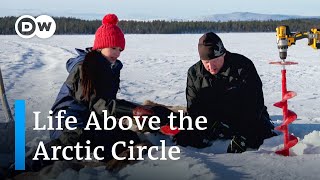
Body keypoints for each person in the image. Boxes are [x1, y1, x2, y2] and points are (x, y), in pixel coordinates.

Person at [26, 13, 155, 171]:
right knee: (76, 138)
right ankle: (25, 165)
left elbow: (106, 104)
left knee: (126, 139)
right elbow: (97, 103)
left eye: (120, 49)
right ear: (101, 46)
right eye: (113, 48)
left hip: (92, 117)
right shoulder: (84, 67)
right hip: (69, 117)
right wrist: (132, 110)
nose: (117, 53)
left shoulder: (112, 67)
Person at [174, 32, 275, 153]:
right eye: (206, 63)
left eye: (215, 61)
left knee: (261, 133)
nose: (211, 67)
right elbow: (194, 107)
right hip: (212, 121)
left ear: (223, 54)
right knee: (184, 136)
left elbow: (255, 103)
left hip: (242, 118)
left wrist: (244, 132)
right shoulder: (194, 73)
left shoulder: (243, 66)